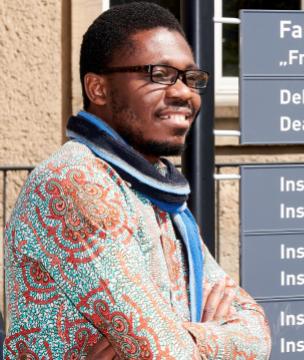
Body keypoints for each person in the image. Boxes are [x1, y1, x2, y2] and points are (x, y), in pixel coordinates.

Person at [3, 2, 271, 359]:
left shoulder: (156, 188)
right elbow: (164, 354)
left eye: (191, 78)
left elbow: (258, 330)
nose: (183, 93)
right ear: (98, 89)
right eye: (158, 74)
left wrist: (185, 337)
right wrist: (209, 336)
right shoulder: (76, 182)